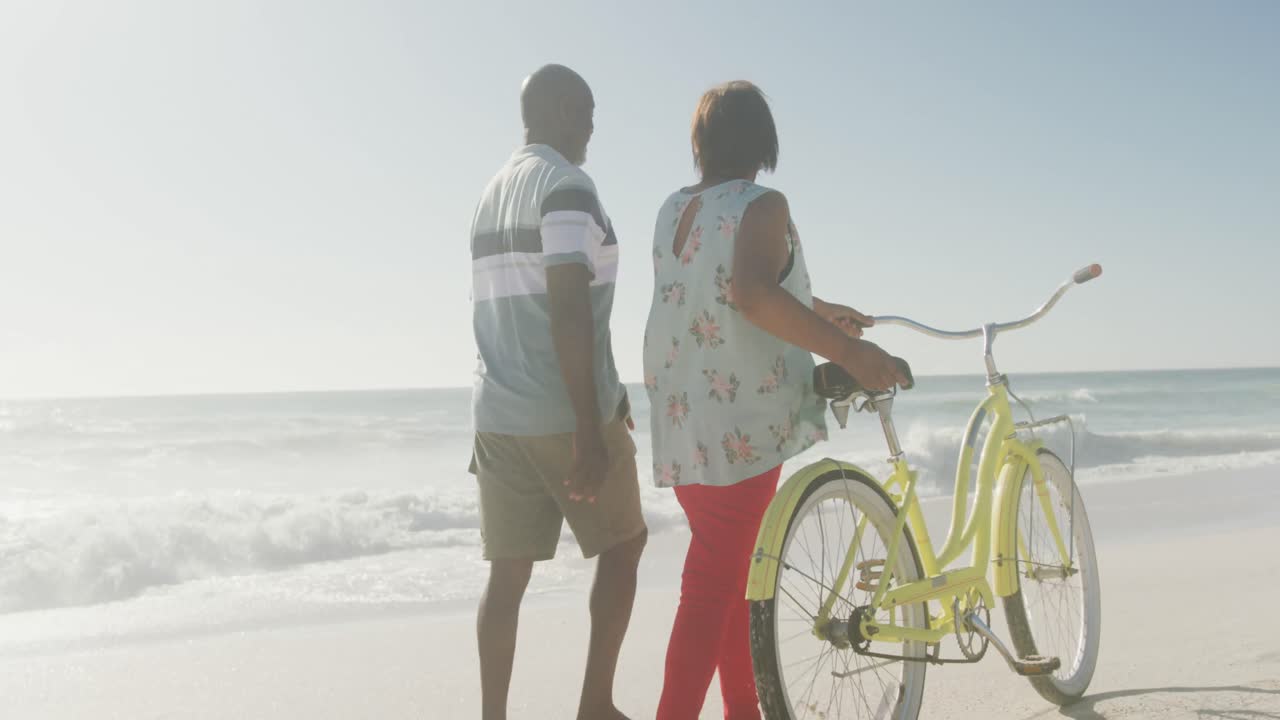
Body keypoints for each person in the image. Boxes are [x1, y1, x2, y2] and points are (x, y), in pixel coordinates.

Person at [642, 81, 907, 720]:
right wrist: (852, 355)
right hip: (742, 421)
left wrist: (818, 307)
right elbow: (753, 295)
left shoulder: (675, 207)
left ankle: (746, 711)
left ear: (700, 143)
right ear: (764, 142)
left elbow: (723, 284)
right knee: (711, 590)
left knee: (733, 579)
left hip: (683, 415)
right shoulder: (764, 203)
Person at [468, 64, 647, 720]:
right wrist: (586, 426)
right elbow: (568, 306)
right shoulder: (567, 186)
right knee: (625, 544)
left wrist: (614, 394)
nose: (595, 128)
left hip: (497, 415)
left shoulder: (492, 192)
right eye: (590, 112)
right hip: (561, 409)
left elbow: (508, 310)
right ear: (565, 110)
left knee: (507, 575)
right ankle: (595, 707)